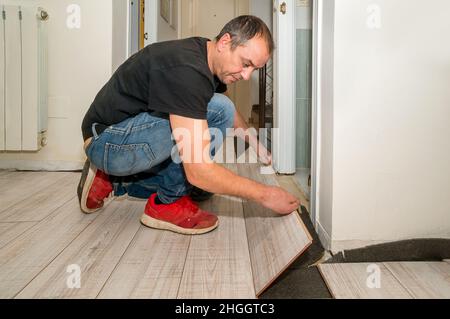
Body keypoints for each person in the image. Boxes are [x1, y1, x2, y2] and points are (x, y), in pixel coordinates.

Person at [78, 15, 300, 235]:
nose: (246, 75)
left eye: (254, 69)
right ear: (225, 42)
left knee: (201, 190)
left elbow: (230, 112)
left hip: (121, 139)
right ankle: (165, 205)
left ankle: (114, 181)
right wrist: (265, 194)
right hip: (106, 142)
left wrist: (256, 144)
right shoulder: (187, 70)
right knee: (217, 113)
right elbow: (198, 171)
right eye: (245, 64)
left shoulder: (205, 56)